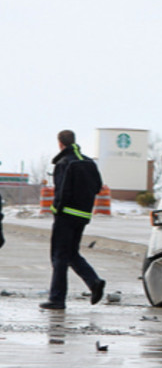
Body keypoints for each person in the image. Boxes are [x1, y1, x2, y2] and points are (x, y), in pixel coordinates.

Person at [39, 130, 106, 310]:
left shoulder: (64, 163)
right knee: (71, 253)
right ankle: (94, 282)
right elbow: (98, 187)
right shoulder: (89, 162)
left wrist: (57, 209)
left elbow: (61, 192)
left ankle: (57, 299)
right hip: (83, 216)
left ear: (60, 143)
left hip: (66, 216)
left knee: (59, 256)